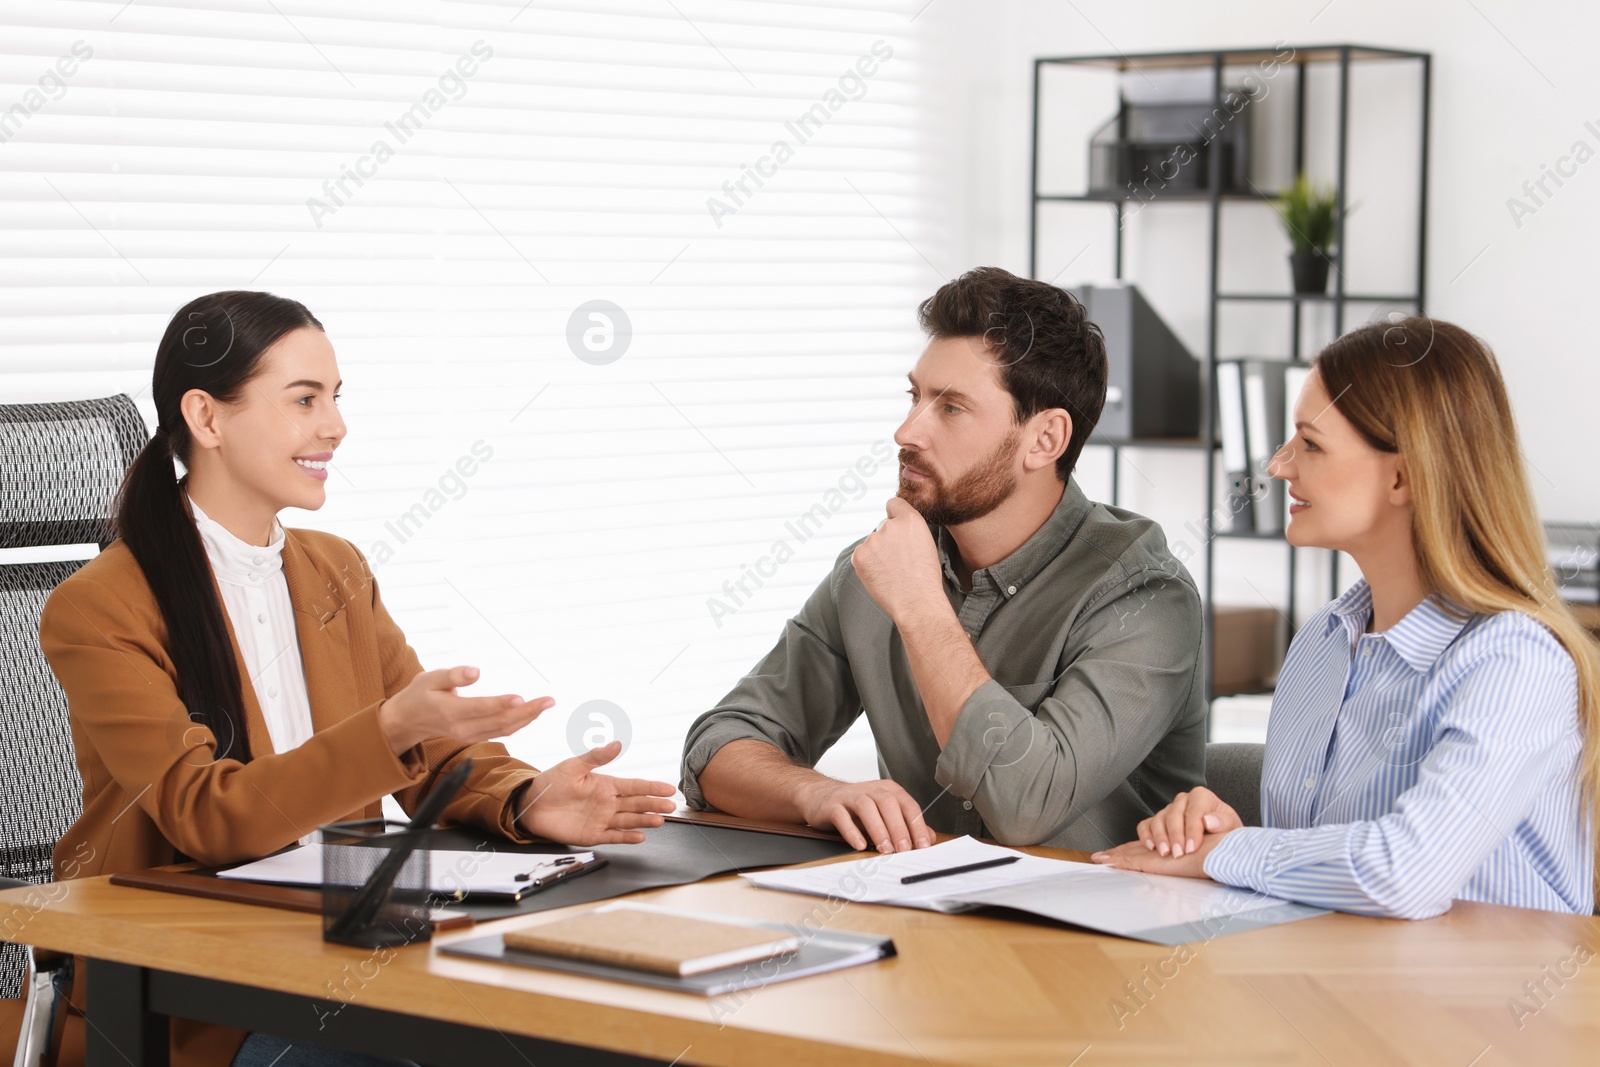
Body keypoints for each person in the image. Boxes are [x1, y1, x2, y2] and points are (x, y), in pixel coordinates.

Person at [40, 291, 678, 1067]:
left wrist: (527, 797)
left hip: (348, 947)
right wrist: (388, 730)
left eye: (336, 398)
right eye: (304, 399)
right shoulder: (101, 606)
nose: (335, 425)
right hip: (194, 1001)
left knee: (582, 1032)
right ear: (207, 418)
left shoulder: (334, 568)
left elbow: (432, 756)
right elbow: (206, 816)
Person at [679, 267, 1207, 854]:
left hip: (1110, 935)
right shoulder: (879, 568)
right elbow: (718, 746)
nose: (907, 431)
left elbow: (1028, 805)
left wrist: (920, 610)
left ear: (1045, 440)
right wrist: (816, 793)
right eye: (916, 396)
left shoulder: (1146, 597)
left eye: (951, 408)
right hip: (927, 922)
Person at [1092, 316, 1598, 919]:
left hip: (1484, 1003)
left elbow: (1405, 872)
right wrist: (1221, 836)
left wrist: (1231, 853)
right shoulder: (1325, 641)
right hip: (1337, 982)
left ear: (1402, 476)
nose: (1279, 467)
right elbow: (1326, 865)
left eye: (1310, 443)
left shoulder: (1516, 662)